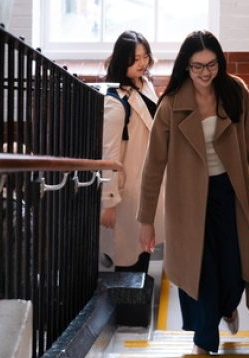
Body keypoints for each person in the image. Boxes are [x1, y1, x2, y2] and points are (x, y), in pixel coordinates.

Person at [138, 30, 249, 354]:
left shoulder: (235, 92)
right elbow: (153, 164)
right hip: (188, 201)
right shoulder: (171, 105)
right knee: (201, 274)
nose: (205, 73)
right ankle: (204, 341)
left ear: (220, 63)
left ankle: (228, 308)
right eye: (197, 66)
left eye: (211, 65)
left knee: (233, 269)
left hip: (231, 192)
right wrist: (146, 220)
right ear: (186, 66)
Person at [100, 30, 163, 272]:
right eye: (135, 59)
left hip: (146, 180)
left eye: (145, 57)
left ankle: (138, 300)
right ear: (121, 60)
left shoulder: (145, 84)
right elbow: (109, 155)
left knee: (144, 247)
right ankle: (129, 306)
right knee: (128, 255)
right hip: (127, 189)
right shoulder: (114, 101)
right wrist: (108, 202)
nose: (142, 63)